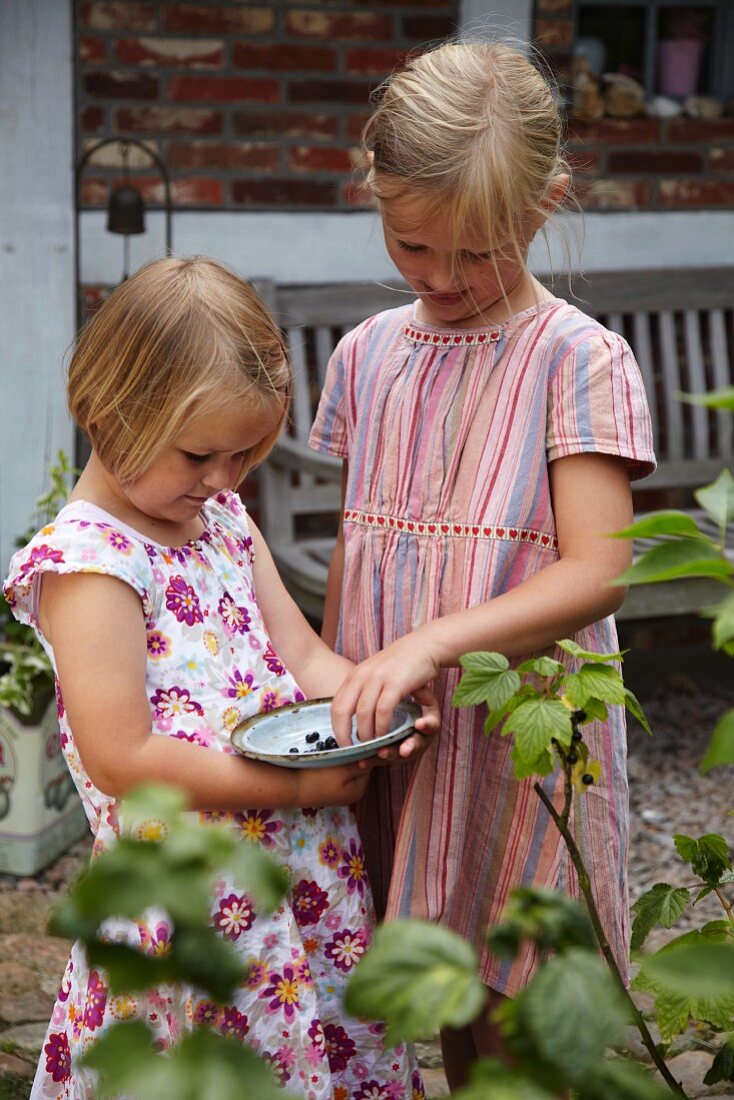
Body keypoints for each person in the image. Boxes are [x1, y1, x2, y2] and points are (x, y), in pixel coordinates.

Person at [3, 256, 439, 1100]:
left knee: (323, 1055)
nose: (224, 480)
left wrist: (370, 701)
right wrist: (296, 791)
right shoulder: (92, 564)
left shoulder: (220, 520)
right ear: (106, 409)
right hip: (192, 903)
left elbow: (303, 657)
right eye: (200, 453)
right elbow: (121, 755)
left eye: (246, 456)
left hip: (296, 883)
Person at [309, 40, 656, 1088]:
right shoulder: (366, 352)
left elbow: (598, 570)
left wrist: (431, 640)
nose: (444, 277)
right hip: (402, 740)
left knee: (514, 1013)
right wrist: (326, 689)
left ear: (547, 202)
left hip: (516, 743)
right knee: (436, 991)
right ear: (371, 185)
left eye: (481, 251)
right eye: (415, 244)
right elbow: (354, 546)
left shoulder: (574, 356)